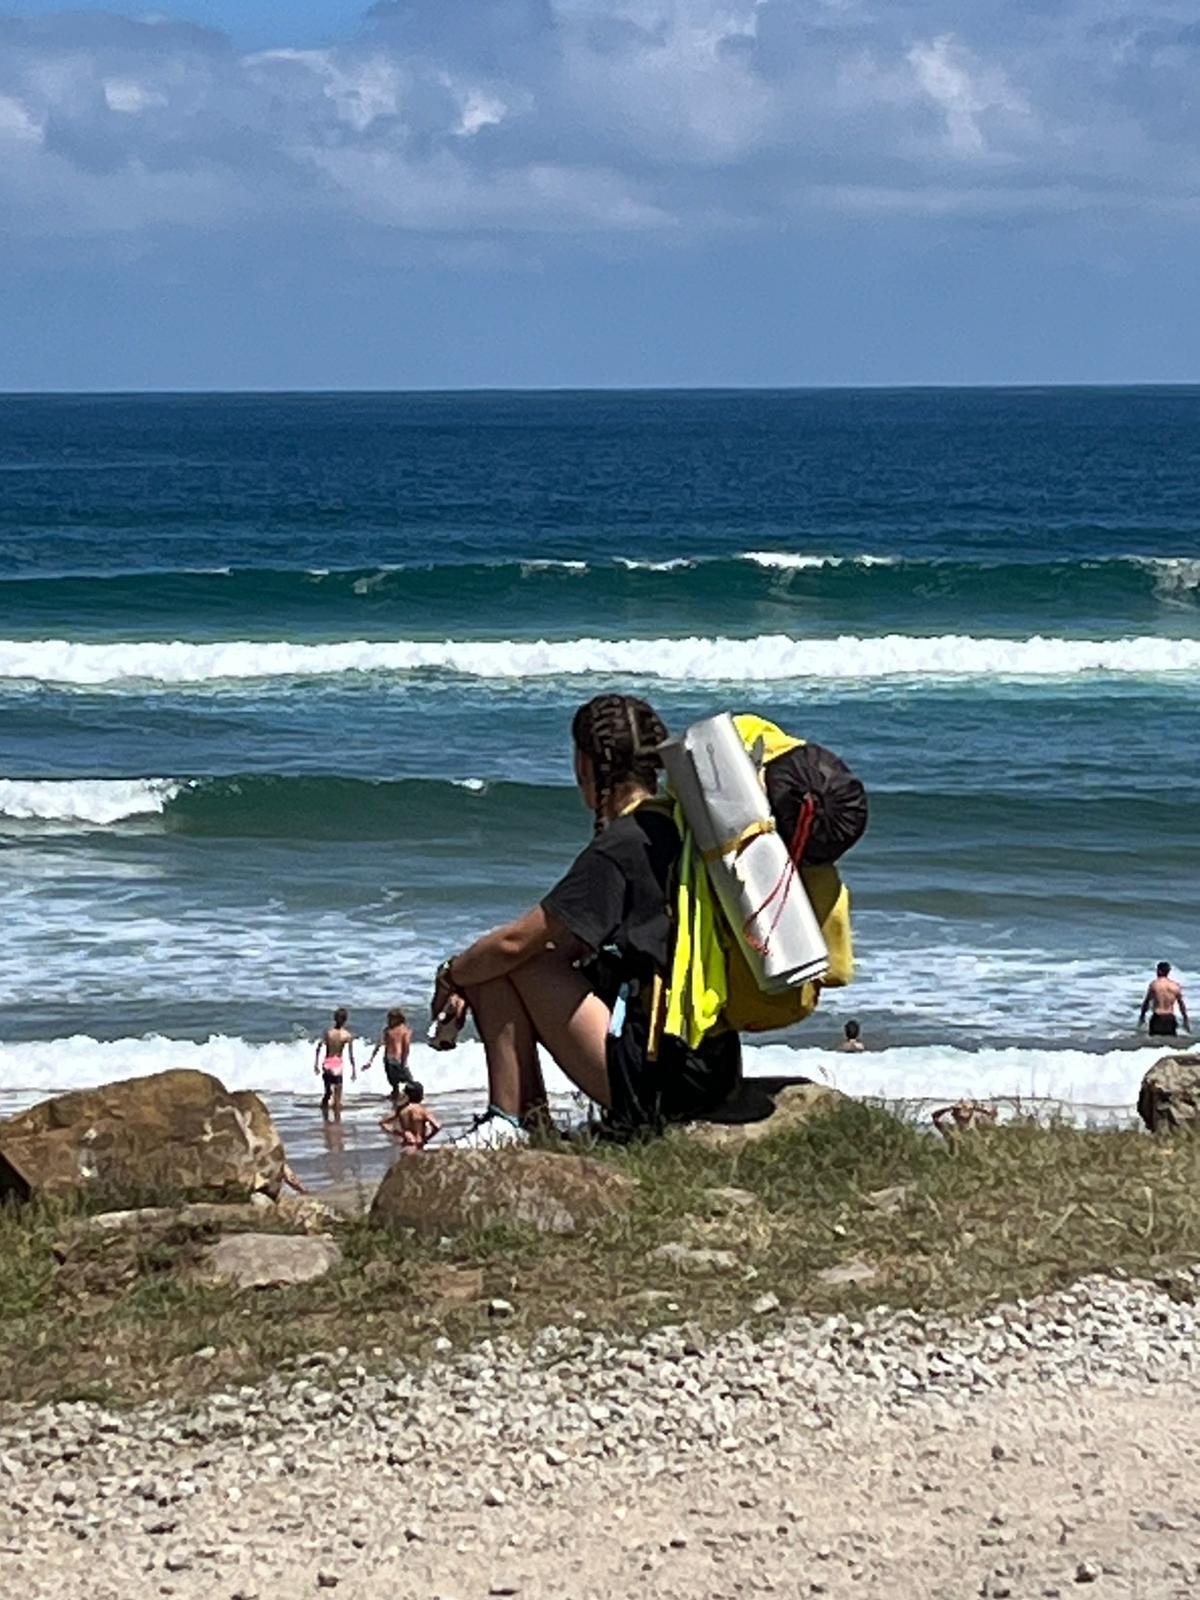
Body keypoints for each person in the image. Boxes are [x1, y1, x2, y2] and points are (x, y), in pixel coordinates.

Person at [429, 693, 741, 1138]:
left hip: (660, 1078)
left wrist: (452, 975)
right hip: (710, 1064)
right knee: (504, 961)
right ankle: (526, 1122)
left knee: (505, 959)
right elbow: (566, 943)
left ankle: (507, 1121)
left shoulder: (622, 844)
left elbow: (517, 943)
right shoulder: (678, 825)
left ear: (589, 766)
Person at [314, 1006, 356, 1120]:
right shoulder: (347, 1035)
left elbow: (318, 1047)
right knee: (338, 1096)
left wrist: (316, 1064)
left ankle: (324, 1116)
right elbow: (351, 1055)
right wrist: (354, 1071)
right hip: (337, 1065)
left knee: (327, 1093)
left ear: (334, 1018)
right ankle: (337, 1120)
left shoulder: (328, 1032)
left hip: (327, 1063)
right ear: (346, 1020)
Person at [365, 1008, 414, 1105]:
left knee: (401, 1082)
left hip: (392, 1059)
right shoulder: (404, 1030)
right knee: (405, 1082)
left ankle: (400, 1098)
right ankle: (400, 1100)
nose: (388, 1021)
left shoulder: (390, 1030)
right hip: (393, 1059)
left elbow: (405, 1045)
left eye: (390, 1019)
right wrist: (371, 1060)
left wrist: (371, 1060)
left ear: (397, 1019)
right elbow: (406, 1046)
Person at [379, 1081, 441, 1148]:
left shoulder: (401, 1109)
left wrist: (400, 1133)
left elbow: (383, 1123)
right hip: (419, 1143)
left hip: (406, 1143)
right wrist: (426, 1138)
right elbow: (437, 1126)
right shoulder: (422, 1110)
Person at [1139, 962, 1190, 1039]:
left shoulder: (1154, 985)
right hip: (1170, 1018)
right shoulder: (1175, 986)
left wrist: (1142, 1016)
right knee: (1171, 1043)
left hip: (1158, 1017)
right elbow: (1181, 1005)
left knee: (1154, 1043)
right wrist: (1185, 1019)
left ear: (1159, 971)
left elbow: (1147, 1002)